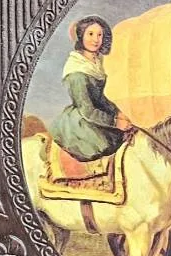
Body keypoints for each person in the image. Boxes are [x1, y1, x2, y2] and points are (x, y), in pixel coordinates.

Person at [48, 16, 133, 162]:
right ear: (81, 36)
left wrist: (117, 112)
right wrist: (115, 122)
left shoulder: (95, 62)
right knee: (104, 145)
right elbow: (87, 110)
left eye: (99, 35)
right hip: (81, 121)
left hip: (96, 114)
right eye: (91, 34)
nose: (96, 39)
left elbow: (99, 98)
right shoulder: (76, 69)